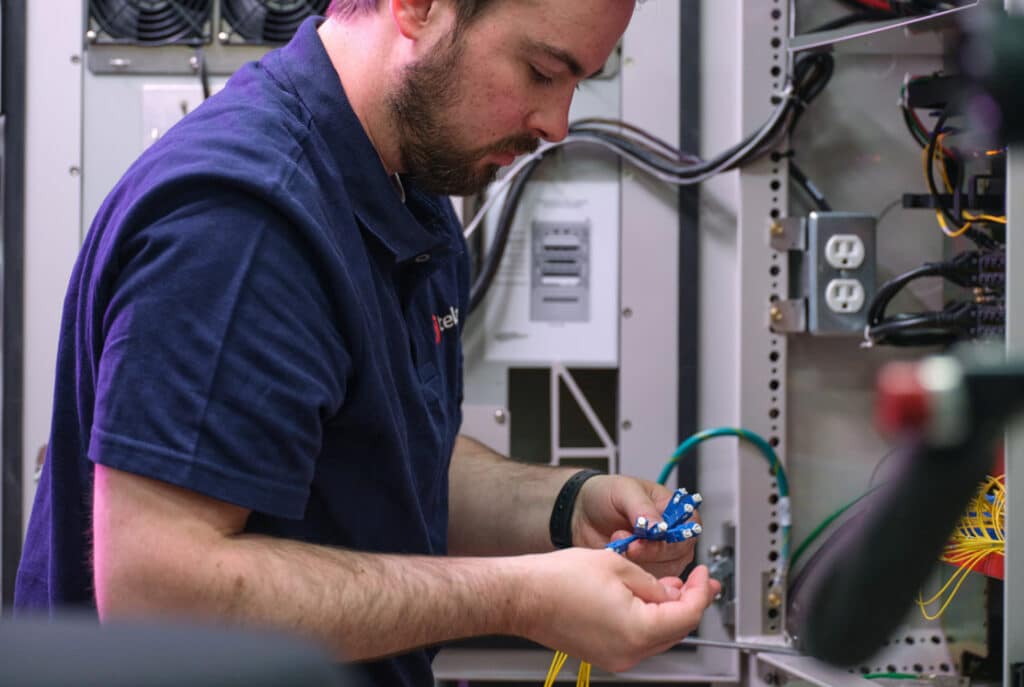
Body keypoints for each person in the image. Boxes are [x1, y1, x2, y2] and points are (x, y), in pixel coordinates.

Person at [15, 1, 720, 685]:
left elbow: (382, 460)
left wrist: (568, 507)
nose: (558, 124)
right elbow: (158, 595)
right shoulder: (245, 224)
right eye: (541, 71)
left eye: (577, 83)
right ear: (416, 8)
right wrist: (522, 596)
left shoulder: (406, 189)